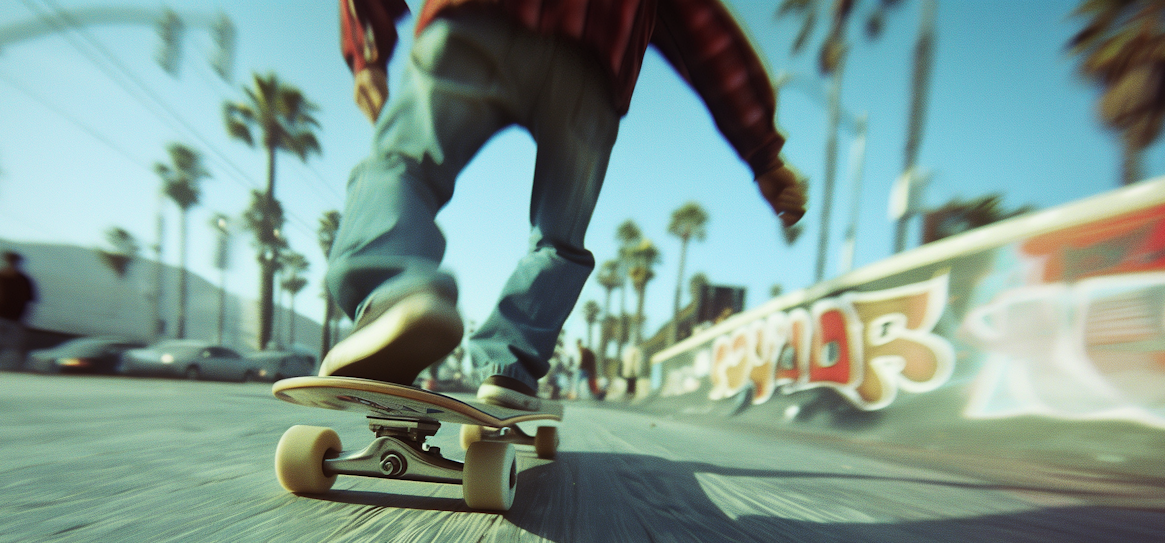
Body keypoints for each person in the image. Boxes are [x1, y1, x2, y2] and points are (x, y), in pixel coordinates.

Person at [320, 0, 807, 412]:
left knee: (404, 166)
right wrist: (761, 151)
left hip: (475, 22)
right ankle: (508, 364)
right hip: (591, 65)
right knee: (559, 237)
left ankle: (391, 295)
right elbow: (703, 31)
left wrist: (368, 45)